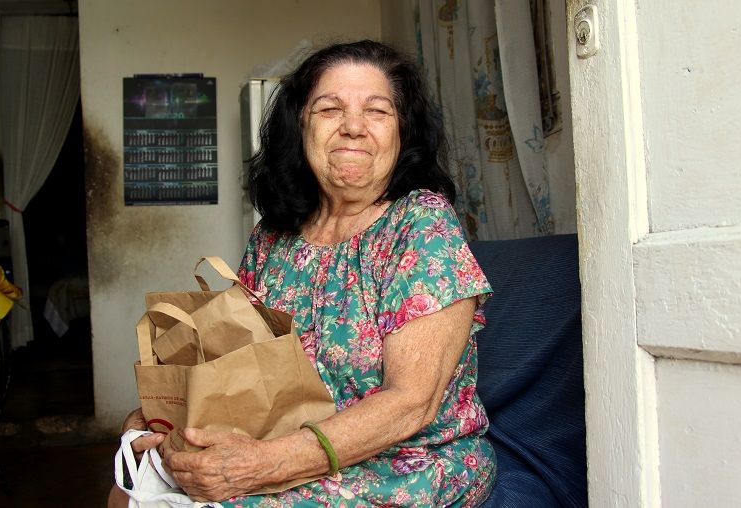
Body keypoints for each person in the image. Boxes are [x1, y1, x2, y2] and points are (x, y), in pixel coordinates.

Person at [110, 40, 496, 507]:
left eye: (377, 111)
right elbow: (239, 369)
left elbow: (410, 402)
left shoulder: (420, 225)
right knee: (131, 489)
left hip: (408, 459)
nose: (353, 127)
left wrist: (263, 464)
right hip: (284, 440)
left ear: (402, 132)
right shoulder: (275, 237)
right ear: (301, 126)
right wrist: (163, 419)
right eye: (329, 109)